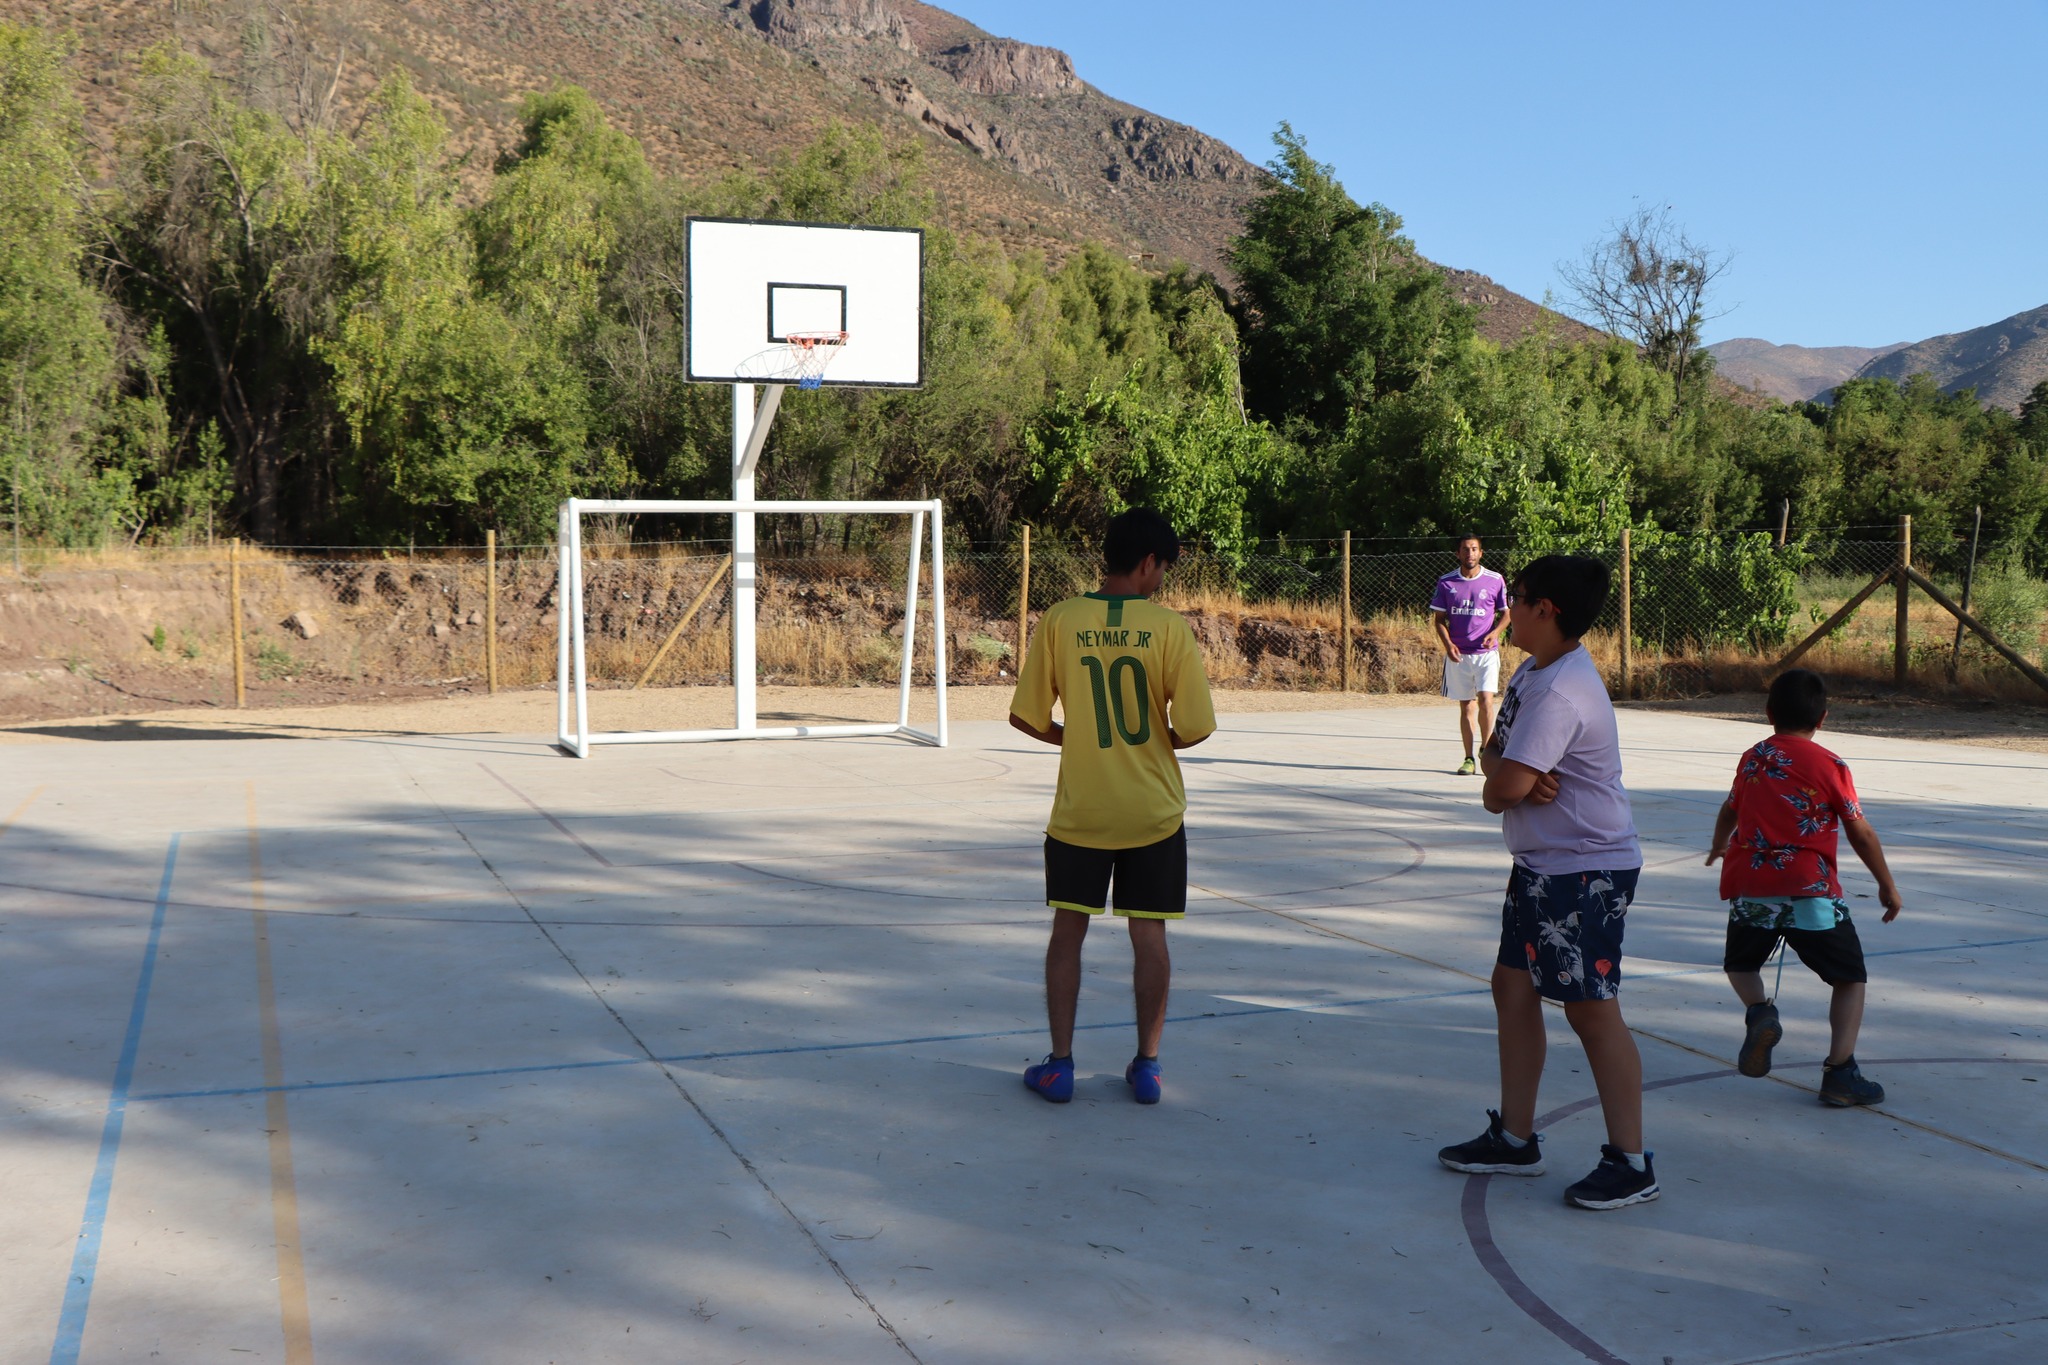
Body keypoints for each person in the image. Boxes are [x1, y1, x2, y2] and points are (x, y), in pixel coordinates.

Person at [1437, 555, 1657, 1210]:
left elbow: (1498, 790)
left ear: (1547, 610)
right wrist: (1513, 774)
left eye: (1521, 597)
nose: (1510, 608)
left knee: (1591, 1008)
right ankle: (1516, 1135)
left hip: (1585, 869)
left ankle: (1632, 1160)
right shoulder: (1535, 673)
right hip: (1543, 865)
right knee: (1512, 985)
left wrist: (1511, 779)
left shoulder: (1561, 691)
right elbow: (1499, 759)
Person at [1008, 508, 1216, 1107]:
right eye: (1163, 569)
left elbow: (1026, 716)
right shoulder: (1170, 629)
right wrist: (1153, 741)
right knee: (1149, 937)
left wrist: (1072, 738)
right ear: (1148, 562)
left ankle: (1061, 1066)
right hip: (1153, 812)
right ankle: (1148, 1067)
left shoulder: (1061, 619)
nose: (1162, 581)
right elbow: (1197, 727)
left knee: (1067, 933)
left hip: (1082, 811)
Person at [1705, 668, 1903, 1106]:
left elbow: (1730, 808)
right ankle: (1840, 1073)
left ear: (1769, 713)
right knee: (1849, 977)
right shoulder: (1830, 764)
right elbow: (1860, 831)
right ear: (1823, 717)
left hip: (1753, 882)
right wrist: (1885, 884)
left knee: (1740, 964)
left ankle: (1760, 1012)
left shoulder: (1753, 757)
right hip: (1809, 887)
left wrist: (1719, 846)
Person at [1430, 535, 1509, 775]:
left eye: (1474, 549)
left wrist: (1495, 633)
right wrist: (1448, 644)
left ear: (1481, 553)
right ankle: (1468, 758)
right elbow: (1439, 620)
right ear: (1458, 554)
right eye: (1465, 549)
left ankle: (1486, 750)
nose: (1470, 553)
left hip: (1486, 654)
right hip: (1459, 656)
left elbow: (1507, 614)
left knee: (1486, 700)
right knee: (1466, 706)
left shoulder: (1495, 580)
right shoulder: (1446, 582)